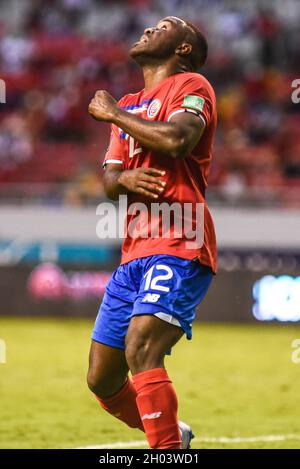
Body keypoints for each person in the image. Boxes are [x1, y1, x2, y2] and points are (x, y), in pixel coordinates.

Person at [87, 16, 217, 449]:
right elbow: (109, 181)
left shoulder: (192, 86)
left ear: (183, 49)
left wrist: (115, 114)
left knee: (142, 347)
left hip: (182, 240)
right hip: (133, 251)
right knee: (102, 378)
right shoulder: (128, 102)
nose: (148, 29)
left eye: (165, 26)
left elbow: (179, 139)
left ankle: (166, 453)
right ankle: (171, 431)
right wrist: (122, 181)